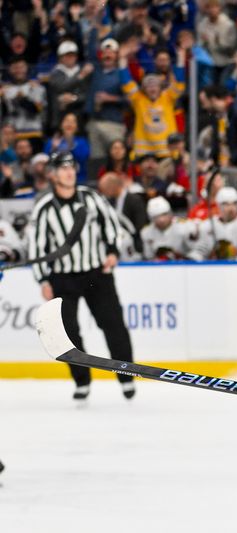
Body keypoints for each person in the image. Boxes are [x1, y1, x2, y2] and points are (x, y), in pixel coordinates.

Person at [29, 152, 135, 401]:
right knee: (68, 332)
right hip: (63, 278)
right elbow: (36, 246)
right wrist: (43, 279)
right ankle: (82, 379)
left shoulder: (92, 198)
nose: (69, 172)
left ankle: (126, 375)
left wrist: (112, 251)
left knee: (113, 325)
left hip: (96, 273)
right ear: (53, 175)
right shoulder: (44, 209)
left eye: (72, 167)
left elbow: (111, 226)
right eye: (63, 168)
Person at [192, 186, 237, 260]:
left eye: (235, 203)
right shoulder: (207, 225)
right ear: (218, 205)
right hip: (212, 268)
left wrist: (232, 264)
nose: (231, 208)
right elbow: (199, 252)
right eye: (226, 204)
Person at [141, 196, 202, 261]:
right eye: (156, 217)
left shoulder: (185, 226)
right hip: (158, 268)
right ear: (151, 219)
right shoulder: (146, 232)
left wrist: (184, 260)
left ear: (170, 213)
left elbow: (197, 251)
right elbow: (148, 258)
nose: (161, 220)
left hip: (185, 266)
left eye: (164, 214)